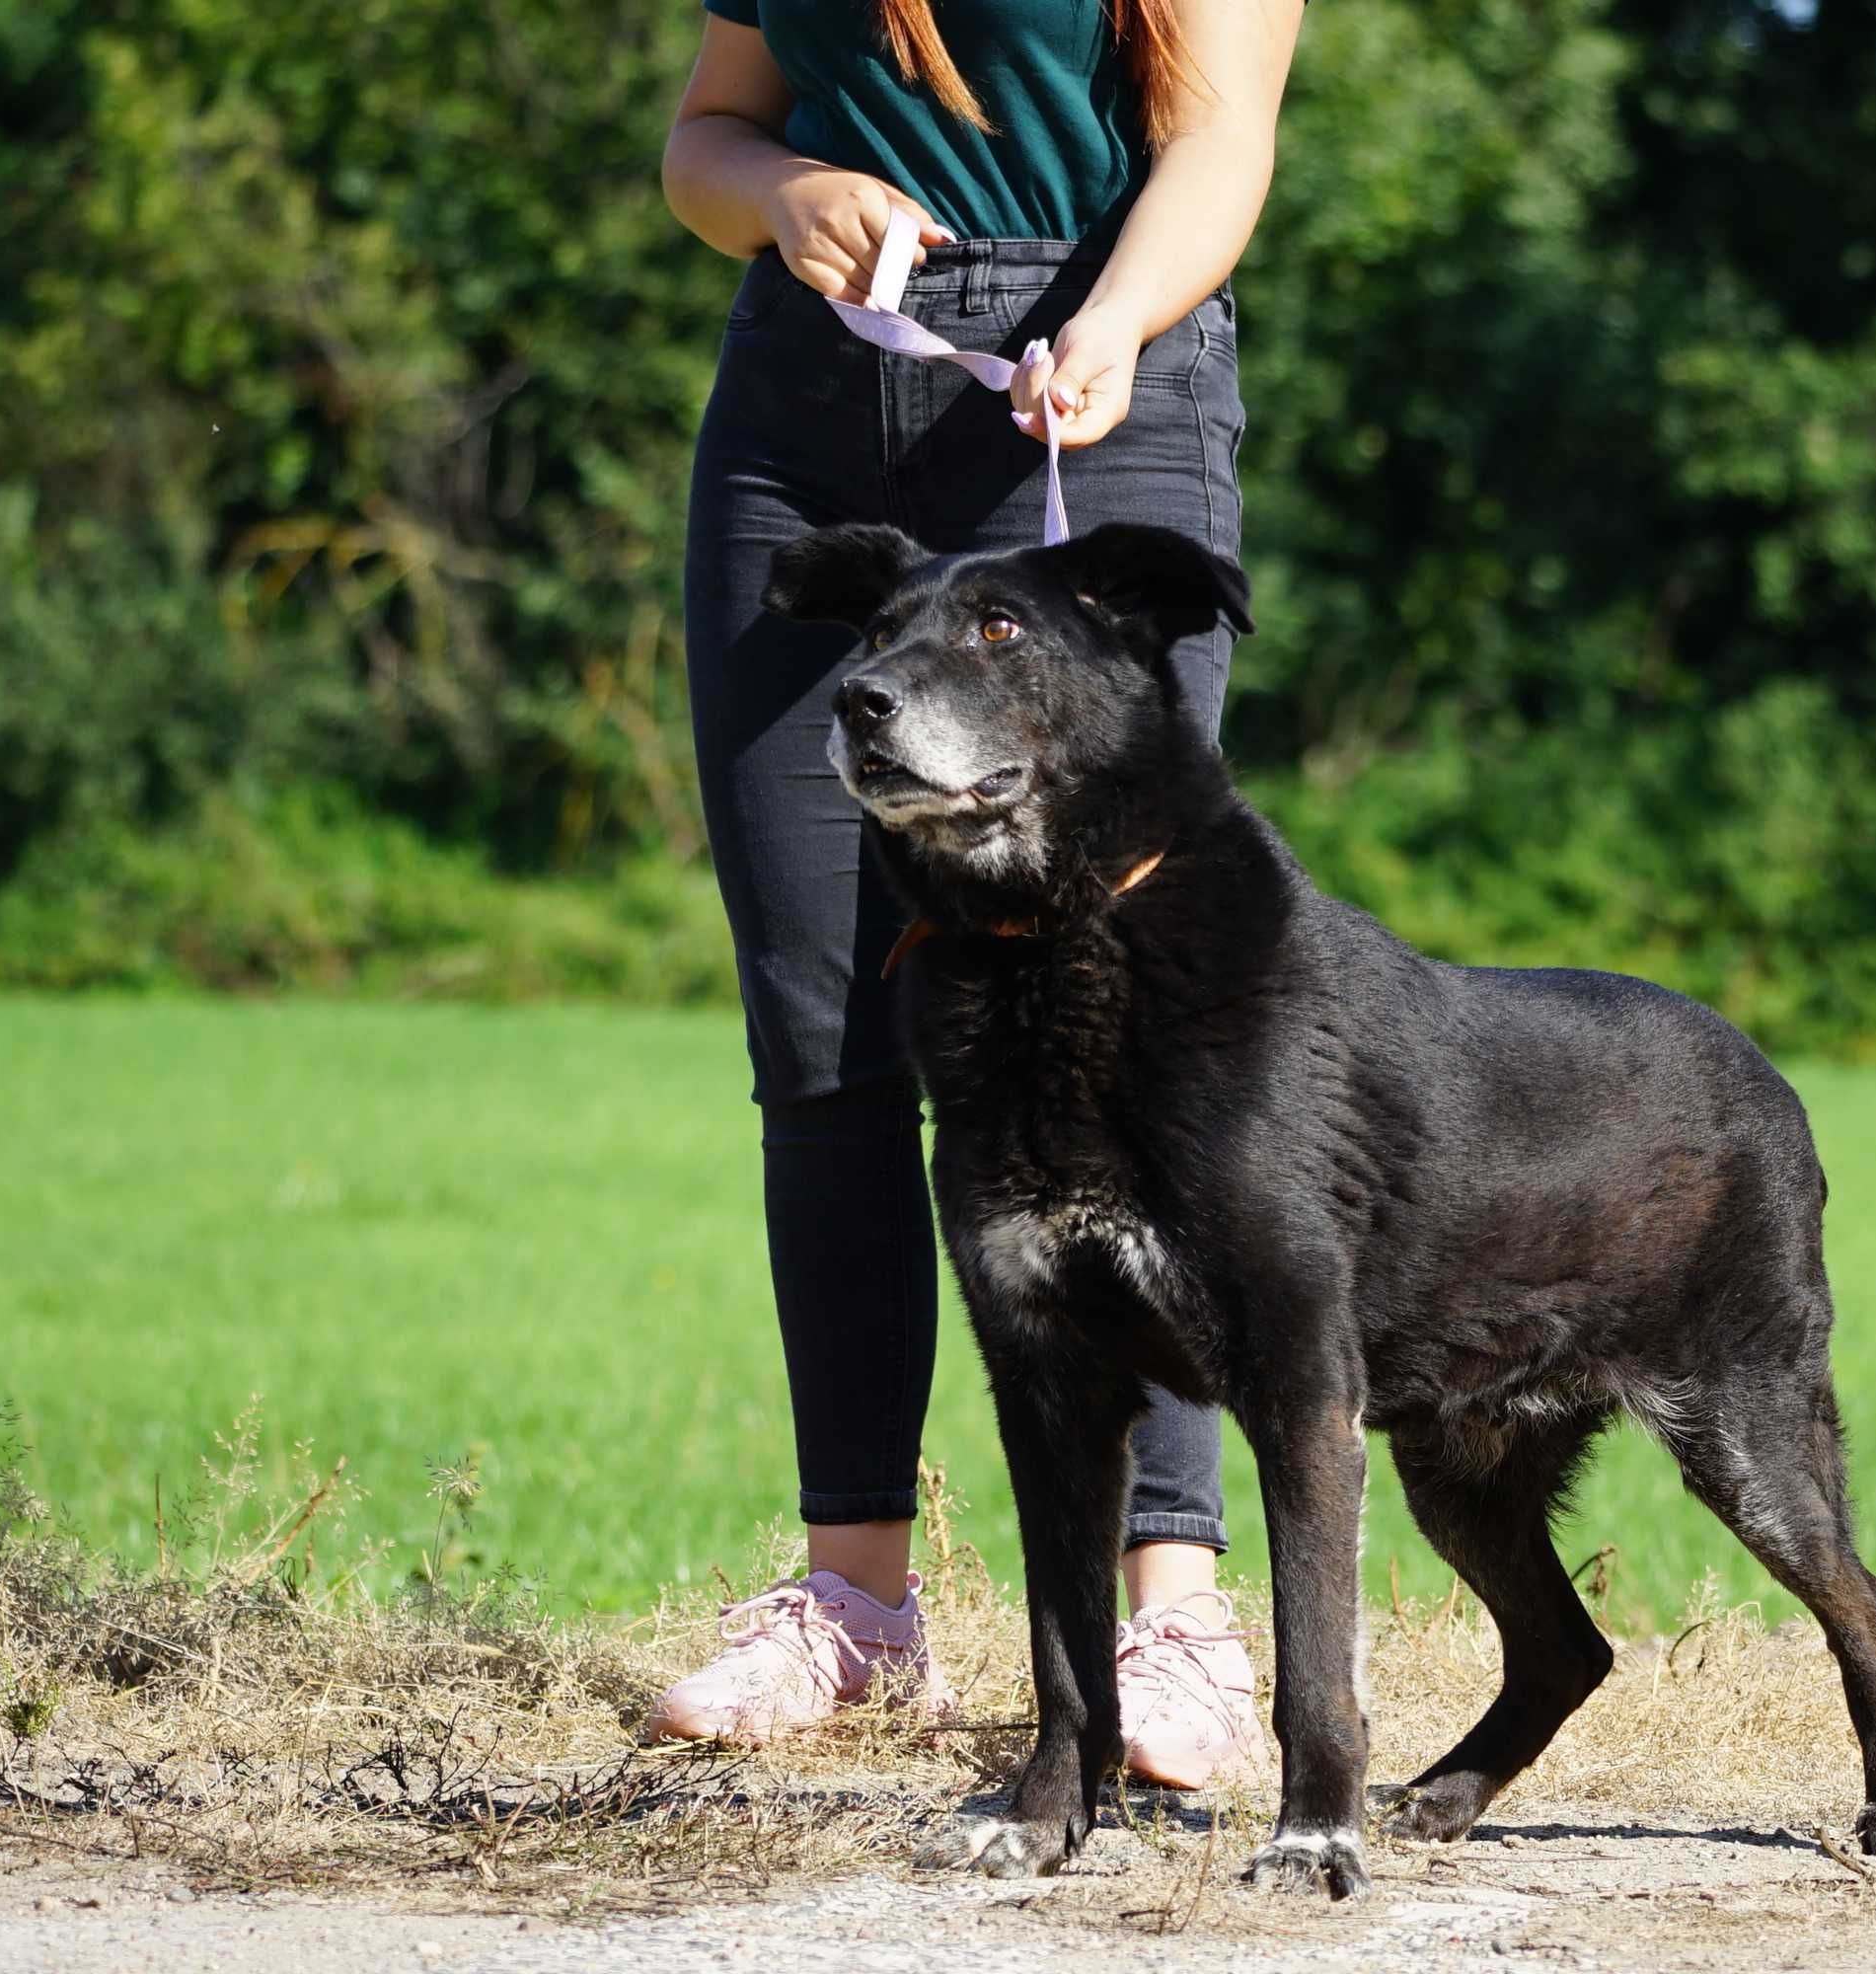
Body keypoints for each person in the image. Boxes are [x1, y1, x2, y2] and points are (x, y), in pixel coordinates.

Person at [643, 0, 1306, 1789]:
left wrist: (1109, 315)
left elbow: (1219, 135)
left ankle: (1175, 1616)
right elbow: (705, 132)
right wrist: (783, 194)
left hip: (1099, 386)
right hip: (806, 420)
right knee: (823, 1030)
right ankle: (854, 1605)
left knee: (1131, 1032)